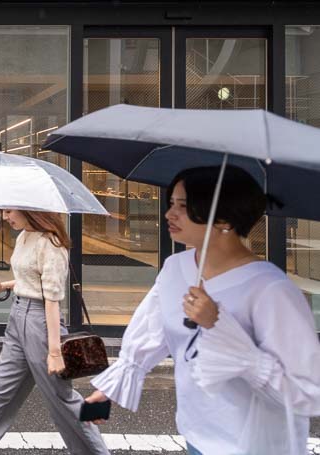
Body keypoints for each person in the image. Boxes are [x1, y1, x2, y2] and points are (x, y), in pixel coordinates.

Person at [84, 166, 320, 455]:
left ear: (224, 219)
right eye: (172, 204)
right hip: (196, 435)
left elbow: (307, 393)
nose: (169, 214)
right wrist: (109, 390)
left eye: (183, 206)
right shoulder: (176, 268)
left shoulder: (270, 289)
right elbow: (151, 333)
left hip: (253, 445)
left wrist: (219, 326)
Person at [0, 209, 109, 455]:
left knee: (61, 399)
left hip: (41, 323)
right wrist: (3, 285)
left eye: (8, 211)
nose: (5, 217)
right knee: (2, 385)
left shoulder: (52, 243)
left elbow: (51, 298)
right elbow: (29, 278)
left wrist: (55, 350)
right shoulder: (24, 236)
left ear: (28, 210)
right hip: (18, 316)